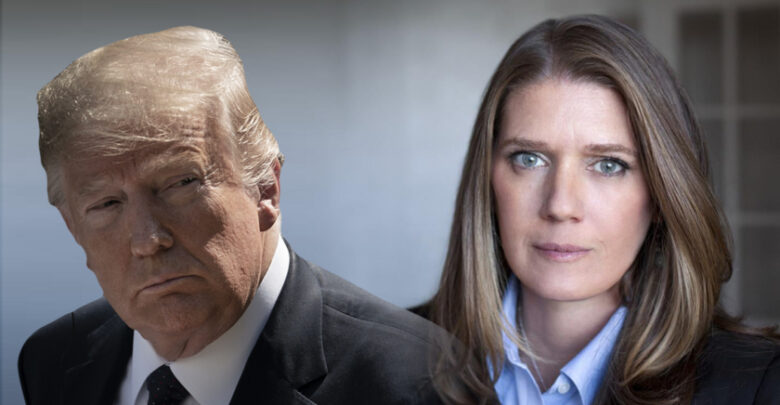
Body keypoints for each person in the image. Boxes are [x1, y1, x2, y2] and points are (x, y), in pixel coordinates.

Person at [18, 26, 443, 405]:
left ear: (266, 187)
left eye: (180, 183)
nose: (147, 240)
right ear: (73, 228)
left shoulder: (421, 382)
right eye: (107, 204)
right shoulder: (53, 361)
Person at [423, 15, 780, 405]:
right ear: (487, 179)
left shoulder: (759, 386)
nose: (561, 206)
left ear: (661, 195)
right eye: (529, 159)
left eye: (609, 165)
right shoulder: (389, 356)